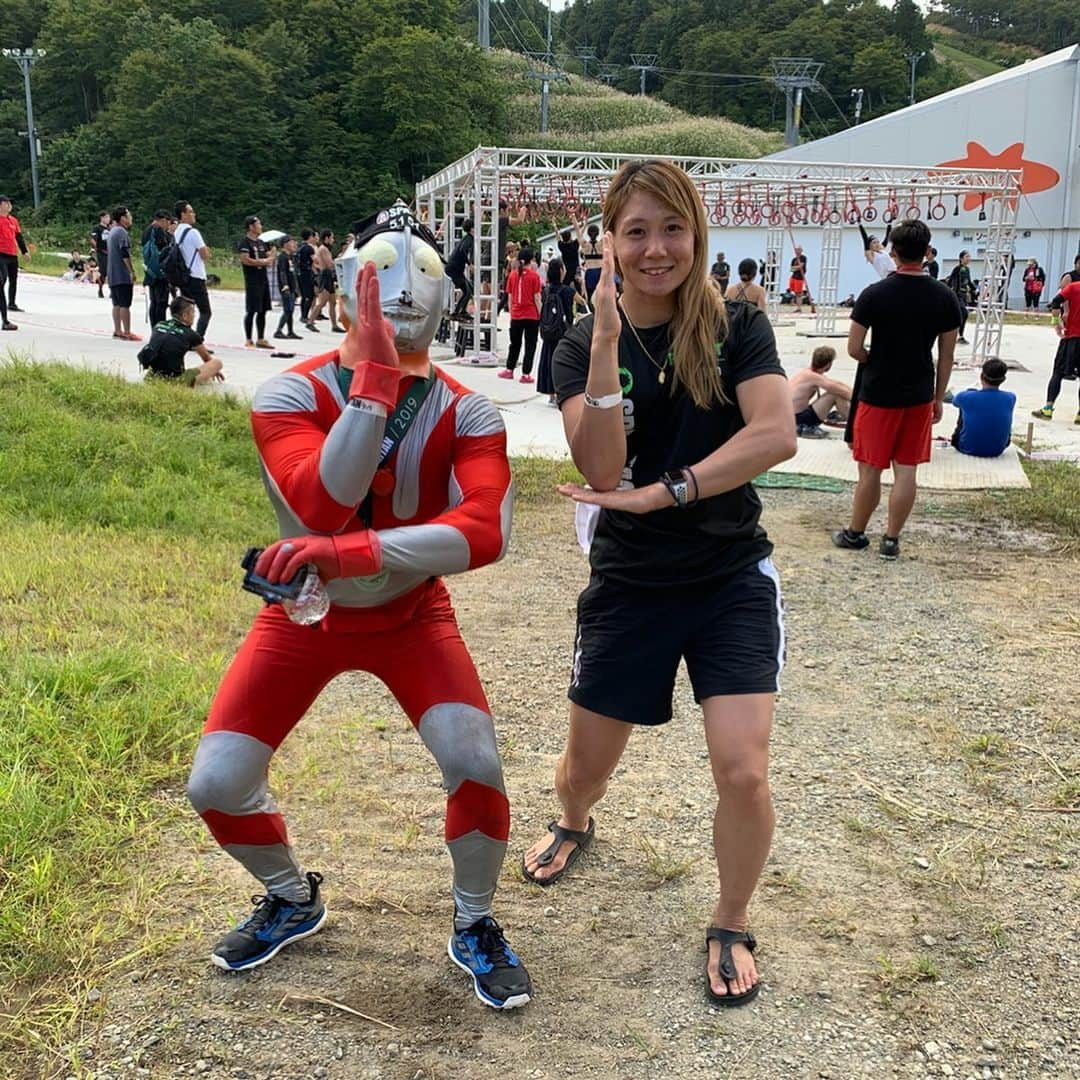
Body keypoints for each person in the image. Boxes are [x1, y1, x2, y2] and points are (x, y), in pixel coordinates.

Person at [186, 201, 533, 1010]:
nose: (404, 295)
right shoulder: (285, 394)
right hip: (303, 616)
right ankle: (291, 897)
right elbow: (319, 504)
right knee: (216, 782)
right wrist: (375, 388)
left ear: (448, 299)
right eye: (383, 281)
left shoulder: (469, 408)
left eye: (424, 282)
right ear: (344, 290)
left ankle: (474, 922)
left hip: (411, 616)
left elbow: (484, 533)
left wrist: (350, 556)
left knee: (475, 766)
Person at [521, 159, 796, 1010]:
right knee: (584, 768)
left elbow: (777, 433)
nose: (655, 249)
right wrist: (604, 342)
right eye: (635, 231)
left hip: (728, 575)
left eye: (671, 228)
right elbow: (600, 466)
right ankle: (574, 820)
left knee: (743, 771)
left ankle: (730, 916)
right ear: (607, 241)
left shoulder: (737, 324)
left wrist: (670, 488)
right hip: (631, 582)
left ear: (697, 234)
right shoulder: (577, 342)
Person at [832, 220, 961, 561]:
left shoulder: (874, 294)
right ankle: (891, 540)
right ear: (926, 251)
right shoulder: (945, 297)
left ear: (893, 252)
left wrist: (871, 358)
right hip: (919, 393)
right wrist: (937, 397)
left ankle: (856, 533)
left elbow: (854, 347)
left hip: (878, 392)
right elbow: (947, 355)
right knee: (907, 470)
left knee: (870, 469)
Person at [138, 295, 225, 386]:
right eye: (193, 313)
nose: (194, 316)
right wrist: (214, 370)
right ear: (185, 316)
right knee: (217, 363)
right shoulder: (191, 334)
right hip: (175, 381)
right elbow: (206, 358)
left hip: (152, 377)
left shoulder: (159, 325)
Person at [1032, 275, 1080, 424]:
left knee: (1058, 372)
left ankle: (1048, 408)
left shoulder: (1074, 287)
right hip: (1073, 336)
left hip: (1072, 337)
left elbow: (1056, 301)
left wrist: (1056, 322)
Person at [950, 359, 1015, 456]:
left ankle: (963, 436)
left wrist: (970, 392)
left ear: (981, 376)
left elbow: (955, 402)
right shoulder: (1011, 397)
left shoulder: (966, 396)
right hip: (998, 449)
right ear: (1003, 379)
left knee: (965, 406)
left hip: (966, 447)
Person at [499, 246, 542, 383]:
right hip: (531, 315)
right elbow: (537, 298)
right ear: (532, 260)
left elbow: (510, 297)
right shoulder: (535, 276)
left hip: (516, 314)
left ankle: (509, 369)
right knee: (530, 345)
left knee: (514, 343)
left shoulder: (512, 275)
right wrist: (541, 314)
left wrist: (512, 313)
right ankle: (526, 373)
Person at [537, 257, 575, 405]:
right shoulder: (567, 290)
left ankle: (550, 394)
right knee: (562, 361)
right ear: (560, 271)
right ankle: (560, 392)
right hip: (562, 331)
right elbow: (582, 302)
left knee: (547, 359)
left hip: (548, 330)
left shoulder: (545, 290)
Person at [791, 346, 851, 437]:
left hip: (791, 416)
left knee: (837, 391)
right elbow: (840, 390)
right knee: (835, 394)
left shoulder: (807, 373)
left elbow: (837, 384)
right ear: (828, 364)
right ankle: (855, 423)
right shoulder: (813, 377)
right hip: (799, 419)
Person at [174, 202, 213, 338]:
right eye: (190, 211)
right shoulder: (193, 232)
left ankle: (184, 338)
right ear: (183, 214)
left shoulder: (177, 231)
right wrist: (207, 250)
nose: (193, 214)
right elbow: (205, 255)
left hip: (183, 277)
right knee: (205, 311)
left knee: (187, 310)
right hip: (196, 275)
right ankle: (197, 340)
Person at [237, 214, 275, 349]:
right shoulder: (245, 242)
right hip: (252, 280)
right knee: (251, 310)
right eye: (258, 224)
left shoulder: (262, 242)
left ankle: (261, 338)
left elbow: (269, 256)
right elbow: (245, 259)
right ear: (251, 226)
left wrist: (270, 256)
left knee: (263, 310)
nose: (261, 226)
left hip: (263, 278)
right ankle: (248, 338)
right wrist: (262, 262)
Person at [106, 206, 140, 342]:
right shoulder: (121, 232)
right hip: (121, 273)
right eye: (129, 216)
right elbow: (125, 253)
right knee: (125, 304)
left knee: (116, 303)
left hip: (112, 273)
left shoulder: (112, 232)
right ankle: (127, 331)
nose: (131, 218)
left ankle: (117, 330)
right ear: (123, 218)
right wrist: (131, 271)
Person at [142, 210, 174, 326]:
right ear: (163, 220)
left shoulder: (147, 231)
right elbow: (164, 251)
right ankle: (160, 328)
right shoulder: (159, 230)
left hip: (150, 270)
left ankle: (154, 329)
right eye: (168, 223)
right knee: (161, 303)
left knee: (154, 302)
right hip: (160, 272)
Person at [307, 230, 343, 332]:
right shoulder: (323, 249)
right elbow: (329, 264)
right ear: (326, 238)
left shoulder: (325, 249)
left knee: (332, 302)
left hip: (328, 275)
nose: (333, 240)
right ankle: (310, 321)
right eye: (332, 238)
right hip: (325, 275)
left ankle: (334, 325)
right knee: (322, 301)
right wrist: (339, 261)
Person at [0, 195, 28, 311]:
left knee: (13, 279)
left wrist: (24, 251)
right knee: (3, 277)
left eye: (10, 204)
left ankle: (11, 303)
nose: (9, 206)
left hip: (12, 253)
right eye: (7, 203)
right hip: (1, 253)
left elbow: (19, 237)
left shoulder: (13, 220)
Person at [274, 235, 302, 340]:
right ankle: (278, 330)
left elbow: (292, 273)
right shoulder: (282, 257)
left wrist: (296, 288)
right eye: (292, 242)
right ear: (285, 244)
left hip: (292, 286)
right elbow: (282, 272)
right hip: (286, 287)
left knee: (291, 310)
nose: (294, 244)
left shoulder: (290, 256)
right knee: (288, 309)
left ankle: (290, 331)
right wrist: (285, 286)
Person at [945, 250, 976, 345]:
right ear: (961, 258)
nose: (969, 259)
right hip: (957, 294)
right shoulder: (957, 268)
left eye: (969, 257)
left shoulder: (967, 269)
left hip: (963, 295)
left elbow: (969, 282)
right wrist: (949, 291)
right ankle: (955, 334)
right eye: (967, 256)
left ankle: (960, 335)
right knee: (964, 313)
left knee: (963, 315)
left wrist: (975, 289)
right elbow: (950, 281)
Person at [445, 219, 474, 319]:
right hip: (454, 270)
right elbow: (463, 250)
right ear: (472, 229)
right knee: (468, 291)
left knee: (470, 289)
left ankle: (462, 311)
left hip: (455, 269)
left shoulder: (467, 238)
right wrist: (469, 264)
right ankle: (457, 312)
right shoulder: (469, 239)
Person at [296, 228, 318, 327]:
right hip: (307, 273)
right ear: (310, 236)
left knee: (304, 295)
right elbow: (315, 261)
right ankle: (305, 315)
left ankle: (303, 315)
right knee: (310, 295)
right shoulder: (309, 248)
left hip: (300, 273)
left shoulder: (300, 247)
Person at [90, 210, 111, 299]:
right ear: (102, 218)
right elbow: (92, 239)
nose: (108, 219)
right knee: (103, 272)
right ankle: (100, 289)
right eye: (106, 217)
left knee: (111, 272)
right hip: (102, 253)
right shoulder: (97, 228)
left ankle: (112, 291)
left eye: (109, 218)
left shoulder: (110, 229)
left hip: (110, 253)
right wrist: (96, 248)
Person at [581, 224, 603, 306]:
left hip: (590, 272)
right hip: (600, 271)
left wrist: (573, 218)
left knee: (590, 297)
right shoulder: (601, 244)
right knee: (602, 295)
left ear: (588, 234)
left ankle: (593, 314)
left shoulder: (585, 245)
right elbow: (608, 229)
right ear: (598, 233)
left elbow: (578, 233)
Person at [788, 246, 807, 313]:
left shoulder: (803, 258)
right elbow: (791, 269)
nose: (797, 251)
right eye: (796, 250)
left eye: (798, 250)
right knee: (794, 292)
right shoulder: (794, 259)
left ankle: (799, 308)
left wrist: (796, 267)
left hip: (799, 277)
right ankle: (796, 305)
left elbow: (801, 266)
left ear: (801, 250)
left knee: (799, 293)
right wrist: (796, 267)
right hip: (794, 276)